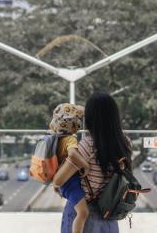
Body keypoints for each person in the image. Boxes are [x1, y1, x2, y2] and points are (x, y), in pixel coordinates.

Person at [59, 92, 132, 233]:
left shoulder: (87, 145)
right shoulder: (125, 143)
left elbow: (60, 179)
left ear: (91, 117)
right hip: (109, 213)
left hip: (83, 213)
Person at [49, 103, 91, 233]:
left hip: (64, 180)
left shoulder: (57, 137)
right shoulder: (70, 139)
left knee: (79, 211)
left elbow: (67, 111)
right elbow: (72, 154)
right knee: (83, 213)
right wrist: (86, 165)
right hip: (70, 182)